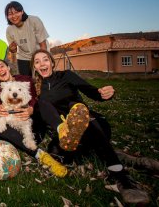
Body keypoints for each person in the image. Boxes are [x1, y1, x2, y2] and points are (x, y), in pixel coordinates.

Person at [31, 49, 150, 205]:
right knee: (56, 153)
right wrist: (31, 142)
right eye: (37, 61)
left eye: (45, 59)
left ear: (52, 63)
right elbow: (39, 120)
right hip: (68, 137)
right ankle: (120, 156)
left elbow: (92, 91)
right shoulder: (36, 90)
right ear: (34, 67)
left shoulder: (66, 75)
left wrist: (104, 93)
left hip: (93, 125)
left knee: (78, 109)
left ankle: (123, 179)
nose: (42, 64)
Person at [0, 59, 67, 177]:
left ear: (8, 67)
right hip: (13, 131)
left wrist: (30, 109)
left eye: (2, 66)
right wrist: (2, 108)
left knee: (42, 103)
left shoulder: (25, 79)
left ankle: (63, 130)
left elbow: (34, 97)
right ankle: (39, 155)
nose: (0, 70)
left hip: (33, 126)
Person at [5, 1, 49, 76]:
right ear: (7, 16)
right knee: (26, 81)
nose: (14, 16)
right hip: (23, 57)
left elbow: (43, 45)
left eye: (16, 12)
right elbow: (13, 50)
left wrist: (42, 61)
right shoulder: (9, 30)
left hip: (40, 52)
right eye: (10, 14)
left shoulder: (34, 21)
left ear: (22, 11)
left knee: (42, 79)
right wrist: (12, 49)